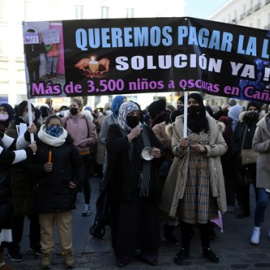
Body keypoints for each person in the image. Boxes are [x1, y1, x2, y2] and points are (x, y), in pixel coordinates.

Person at [160, 93, 227, 264]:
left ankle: (206, 249)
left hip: (207, 176)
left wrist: (206, 149)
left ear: (201, 104)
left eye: (195, 102)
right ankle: (185, 249)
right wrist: (181, 147)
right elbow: (175, 150)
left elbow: (223, 146)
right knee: (186, 215)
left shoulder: (212, 123)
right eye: (189, 102)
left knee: (204, 214)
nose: (191, 105)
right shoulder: (180, 124)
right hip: (186, 175)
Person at [105, 101, 163, 267]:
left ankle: (149, 252)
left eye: (136, 114)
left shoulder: (147, 129)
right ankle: (124, 253)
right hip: (124, 186)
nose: (133, 117)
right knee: (126, 221)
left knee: (148, 220)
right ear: (123, 114)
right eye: (130, 115)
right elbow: (111, 147)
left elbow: (159, 148)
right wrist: (130, 137)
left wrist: (158, 153)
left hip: (146, 185)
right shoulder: (115, 129)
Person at [24, 115, 84, 269]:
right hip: (44, 192)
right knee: (46, 228)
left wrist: (76, 182)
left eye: (59, 125)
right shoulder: (37, 144)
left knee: (65, 226)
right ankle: (47, 253)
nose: (56, 127)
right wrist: (41, 168)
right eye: (52, 125)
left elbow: (79, 166)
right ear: (46, 126)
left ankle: (68, 253)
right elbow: (27, 166)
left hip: (64, 192)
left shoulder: (68, 145)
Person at [5, 101, 41, 262]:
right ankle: (14, 248)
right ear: (19, 113)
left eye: (31, 109)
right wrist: (27, 135)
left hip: (36, 178)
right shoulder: (12, 130)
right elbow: (14, 149)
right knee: (17, 216)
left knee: (36, 216)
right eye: (26, 110)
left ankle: (36, 244)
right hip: (19, 178)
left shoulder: (39, 127)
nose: (29, 112)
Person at [0, 129, 37, 270]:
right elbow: (7, 157)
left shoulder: (1, 135)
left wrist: (27, 134)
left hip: (4, 189)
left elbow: (15, 144)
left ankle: (1, 262)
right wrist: (28, 151)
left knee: (2, 227)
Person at [149, 99, 179, 245]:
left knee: (174, 201)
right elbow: (158, 142)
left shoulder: (180, 126)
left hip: (178, 167)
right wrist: (175, 141)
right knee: (163, 199)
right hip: (163, 169)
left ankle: (170, 230)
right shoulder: (158, 126)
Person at [61, 97, 97, 217]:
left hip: (83, 154)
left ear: (80, 107)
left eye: (74, 106)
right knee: (70, 178)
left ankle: (87, 206)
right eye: (71, 106)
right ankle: (70, 204)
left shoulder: (87, 120)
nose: (72, 108)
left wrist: (84, 142)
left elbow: (94, 138)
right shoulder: (65, 120)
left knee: (84, 180)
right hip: (69, 154)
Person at [231, 101, 262, 219]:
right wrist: (237, 152)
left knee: (259, 189)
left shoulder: (262, 124)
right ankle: (245, 209)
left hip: (258, 162)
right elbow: (233, 140)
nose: (252, 111)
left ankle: (260, 211)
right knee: (243, 188)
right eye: (250, 109)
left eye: (255, 109)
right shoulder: (241, 123)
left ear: (258, 111)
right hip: (242, 161)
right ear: (246, 110)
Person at [250, 110, 270, 245]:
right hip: (265, 169)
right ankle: (256, 229)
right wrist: (268, 144)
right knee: (262, 201)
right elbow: (255, 146)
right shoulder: (262, 125)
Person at [98, 95, 126, 191]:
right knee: (109, 177)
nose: (125, 105)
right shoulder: (108, 119)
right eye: (123, 103)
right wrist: (112, 142)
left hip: (125, 152)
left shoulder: (128, 118)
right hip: (111, 153)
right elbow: (101, 137)